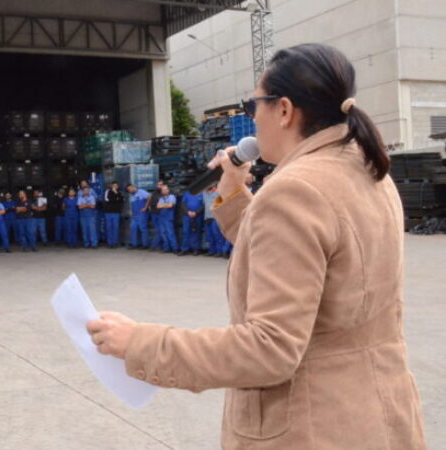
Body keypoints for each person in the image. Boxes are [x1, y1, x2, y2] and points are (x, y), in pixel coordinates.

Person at [86, 43, 425, 448]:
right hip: (376, 411)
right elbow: (292, 253)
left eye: (253, 105)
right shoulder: (367, 169)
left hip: (313, 423)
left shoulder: (294, 190)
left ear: (283, 110)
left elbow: (269, 348)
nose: (252, 119)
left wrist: (142, 343)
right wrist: (233, 190)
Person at [179, 189, 205, 256]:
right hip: (187, 216)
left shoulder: (201, 193)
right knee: (186, 232)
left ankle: (196, 249)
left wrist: (196, 212)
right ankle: (184, 249)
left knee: (196, 232)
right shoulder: (186, 193)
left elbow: (204, 205)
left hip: (198, 215)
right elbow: (183, 204)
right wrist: (188, 212)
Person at [155, 185, 179, 253]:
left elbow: (171, 205)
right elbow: (158, 206)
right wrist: (166, 205)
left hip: (169, 217)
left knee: (170, 233)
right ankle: (166, 249)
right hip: (162, 217)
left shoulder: (172, 197)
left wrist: (163, 205)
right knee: (163, 233)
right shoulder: (161, 198)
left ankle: (175, 249)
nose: (164, 191)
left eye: (165, 190)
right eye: (163, 190)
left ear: (168, 190)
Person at [202, 185, 223, 257]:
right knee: (209, 236)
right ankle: (212, 251)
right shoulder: (204, 193)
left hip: (215, 217)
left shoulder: (218, 193)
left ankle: (219, 251)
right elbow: (204, 204)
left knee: (217, 235)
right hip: (207, 217)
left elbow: (221, 204)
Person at [126, 184, 149, 249]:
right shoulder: (131, 195)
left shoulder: (141, 191)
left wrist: (145, 207)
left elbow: (149, 197)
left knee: (143, 229)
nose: (130, 191)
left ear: (133, 187)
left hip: (142, 214)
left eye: (130, 189)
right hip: (135, 214)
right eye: (128, 190)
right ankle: (134, 244)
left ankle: (145, 245)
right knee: (133, 228)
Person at [103, 182, 124, 248]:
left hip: (116, 213)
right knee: (109, 228)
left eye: (116, 185)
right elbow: (107, 200)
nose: (115, 187)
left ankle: (115, 243)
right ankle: (110, 243)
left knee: (116, 228)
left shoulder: (120, 192)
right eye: (113, 185)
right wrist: (116, 198)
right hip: (108, 212)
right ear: (112, 186)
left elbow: (121, 200)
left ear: (118, 186)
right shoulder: (107, 191)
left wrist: (116, 194)